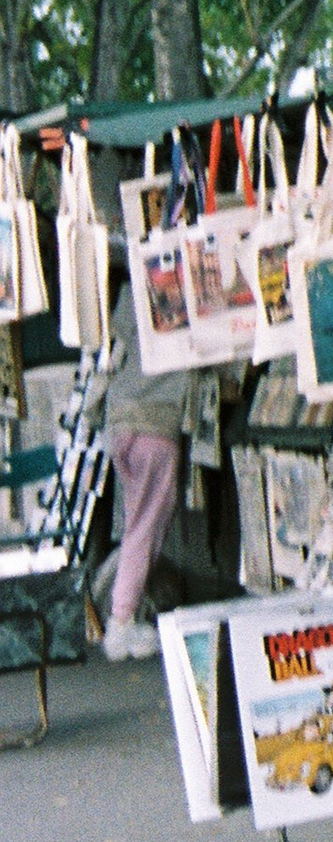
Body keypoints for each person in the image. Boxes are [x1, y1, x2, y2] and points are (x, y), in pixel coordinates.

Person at [98, 282, 188, 658]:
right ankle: (121, 618)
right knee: (146, 526)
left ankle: (126, 611)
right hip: (156, 424)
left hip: (120, 420)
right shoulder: (187, 296)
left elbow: (114, 344)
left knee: (137, 521)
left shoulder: (133, 288)